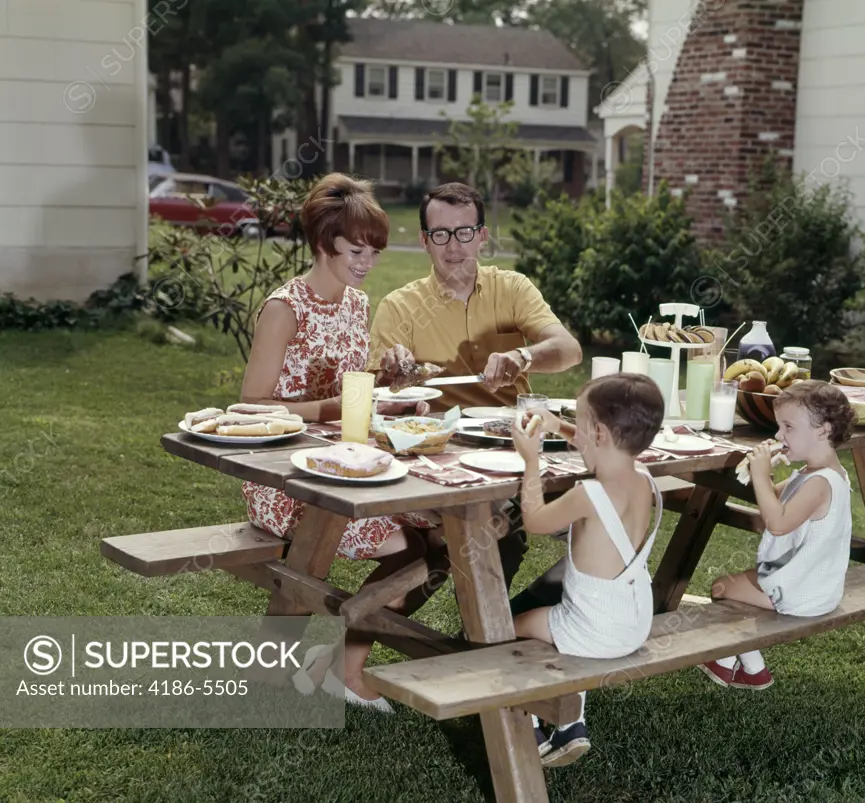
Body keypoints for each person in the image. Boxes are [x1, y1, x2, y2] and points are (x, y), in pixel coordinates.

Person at [238, 172, 444, 712]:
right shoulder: (285, 308)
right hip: (283, 478)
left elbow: (356, 389)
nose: (368, 261)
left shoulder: (355, 303)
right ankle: (342, 663)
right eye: (357, 249)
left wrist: (393, 388)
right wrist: (340, 408)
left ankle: (337, 663)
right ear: (324, 242)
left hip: (343, 463)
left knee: (443, 539)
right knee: (413, 551)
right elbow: (250, 406)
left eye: (374, 250)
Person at [369, 182, 583, 592]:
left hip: (518, 441)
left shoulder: (512, 288)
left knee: (602, 517)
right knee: (496, 532)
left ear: (482, 235)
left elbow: (569, 350)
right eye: (441, 235)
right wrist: (392, 373)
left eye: (464, 232)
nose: (454, 246)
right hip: (446, 455)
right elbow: (378, 396)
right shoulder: (400, 306)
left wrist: (524, 356)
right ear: (424, 242)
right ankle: (489, 635)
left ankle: (541, 616)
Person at [510, 373, 665, 767]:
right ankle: (570, 727)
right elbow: (597, 441)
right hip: (633, 621)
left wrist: (531, 461)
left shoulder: (588, 495)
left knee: (508, 628)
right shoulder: (643, 480)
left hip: (593, 629)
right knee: (549, 617)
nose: (574, 432)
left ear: (598, 432)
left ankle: (531, 725)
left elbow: (534, 520)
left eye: (577, 424)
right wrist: (555, 423)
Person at [698, 380, 855, 691]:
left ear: (823, 431)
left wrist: (757, 475)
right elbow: (771, 500)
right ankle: (746, 668)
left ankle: (740, 663)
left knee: (721, 587)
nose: (779, 436)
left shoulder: (819, 484)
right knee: (739, 585)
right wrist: (765, 474)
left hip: (802, 594)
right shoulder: (817, 474)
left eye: (788, 427)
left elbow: (777, 524)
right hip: (815, 585)